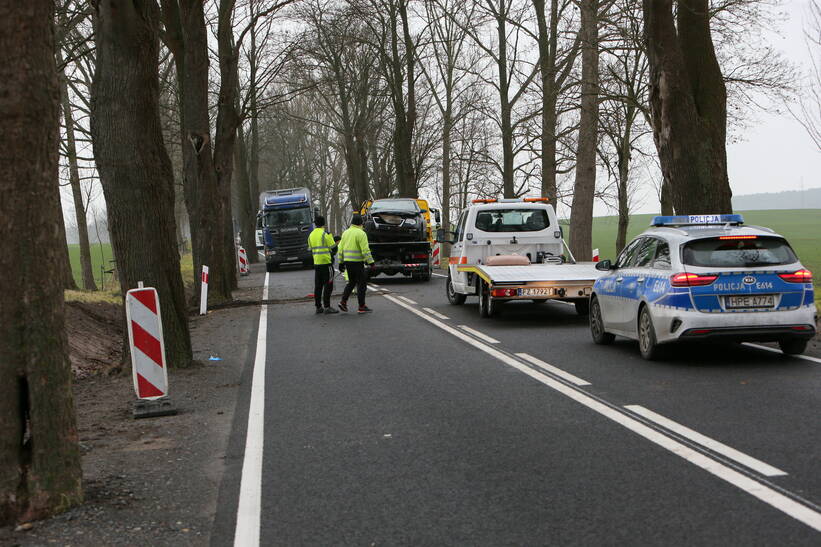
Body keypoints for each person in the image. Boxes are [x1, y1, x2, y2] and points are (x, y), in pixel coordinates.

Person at [337, 213, 374, 314]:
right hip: (358, 263)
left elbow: (340, 249)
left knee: (351, 282)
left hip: (348, 263)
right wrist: (371, 262)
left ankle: (343, 302)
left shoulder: (345, 233)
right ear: (361, 223)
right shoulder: (361, 233)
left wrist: (340, 263)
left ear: (352, 222)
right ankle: (361, 306)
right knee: (361, 284)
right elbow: (365, 250)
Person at [307, 216, 339, 315]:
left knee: (318, 286)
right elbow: (334, 248)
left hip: (317, 263)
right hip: (326, 263)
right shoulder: (326, 234)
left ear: (315, 223)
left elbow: (309, 249)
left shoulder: (311, 235)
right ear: (324, 223)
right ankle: (327, 306)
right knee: (328, 285)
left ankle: (318, 307)